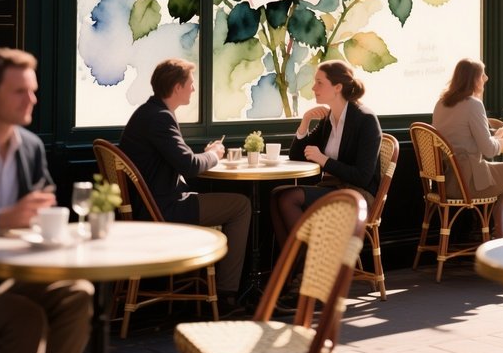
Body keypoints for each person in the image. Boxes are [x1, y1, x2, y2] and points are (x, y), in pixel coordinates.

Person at [0, 48, 93, 353]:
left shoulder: (30, 147)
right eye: (19, 91)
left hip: (12, 270)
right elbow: (10, 217)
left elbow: (44, 201)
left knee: (78, 293)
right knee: (24, 317)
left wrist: (42, 216)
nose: (31, 99)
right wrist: (1, 219)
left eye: (33, 91)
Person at [119, 58, 250, 302]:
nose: (193, 88)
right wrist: (214, 154)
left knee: (234, 203)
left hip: (149, 205)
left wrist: (205, 154)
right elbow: (189, 166)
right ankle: (227, 292)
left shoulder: (149, 113)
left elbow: (181, 158)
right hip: (161, 210)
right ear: (177, 87)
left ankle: (223, 289)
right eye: (190, 83)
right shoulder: (160, 117)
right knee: (241, 205)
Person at [270, 60, 381, 248]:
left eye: (319, 82)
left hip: (357, 196)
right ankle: (295, 268)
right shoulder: (329, 119)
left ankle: (307, 266)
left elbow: (362, 177)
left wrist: (324, 160)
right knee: (276, 195)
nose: (313, 87)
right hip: (332, 188)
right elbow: (296, 156)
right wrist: (305, 122)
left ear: (337, 87)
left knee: (289, 198)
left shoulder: (365, 120)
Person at [432, 59, 503, 201]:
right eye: (482, 74)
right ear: (474, 80)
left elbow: (462, 139)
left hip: (445, 182)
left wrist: (494, 138)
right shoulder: (473, 104)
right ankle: (499, 222)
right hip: (467, 183)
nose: (486, 78)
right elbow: (489, 150)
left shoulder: (440, 103)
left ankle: (485, 220)